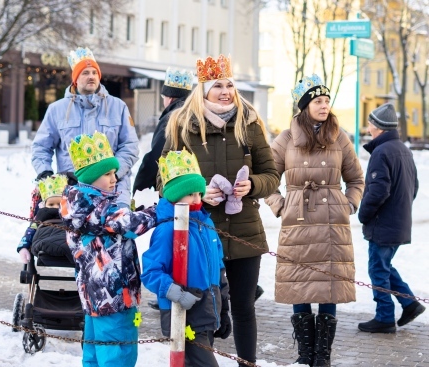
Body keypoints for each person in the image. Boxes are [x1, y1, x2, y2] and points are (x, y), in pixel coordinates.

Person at [160, 54, 280, 365]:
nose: (226, 91)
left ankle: (247, 363)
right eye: (218, 86)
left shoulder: (249, 124)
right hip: (199, 230)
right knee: (202, 306)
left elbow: (272, 174)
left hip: (244, 229)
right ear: (203, 91)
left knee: (243, 306)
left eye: (229, 84)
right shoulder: (182, 126)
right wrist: (197, 193)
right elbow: (165, 179)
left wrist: (252, 185)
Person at [264, 74, 364, 366]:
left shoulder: (339, 137)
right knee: (300, 283)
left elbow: (356, 179)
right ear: (305, 105)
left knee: (327, 286)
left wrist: (348, 204)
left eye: (327, 100)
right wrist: (280, 205)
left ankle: (322, 357)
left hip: (332, 224)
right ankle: (304, 355)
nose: (324, 105)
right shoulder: (286, 138)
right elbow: (268, 177)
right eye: (318, 101)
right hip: (298, 221)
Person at [59, 132, 157, 367]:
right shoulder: (97, 207)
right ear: (91, 178)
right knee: (118, 351)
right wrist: (158, 211)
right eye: (107, 174)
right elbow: (129, 224)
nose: (114, 179)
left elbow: (116, 221)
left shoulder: (80, 205)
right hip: (114, 296)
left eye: (114, 173)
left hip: (95, 297)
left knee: (94, 350)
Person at [142, 148, 231, 367]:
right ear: (174, 195)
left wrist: (225, 306)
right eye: (191, 194)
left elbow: (218, 267)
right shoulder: (167, 230)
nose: (197, 199)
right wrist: (176, 293)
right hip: (184, 312)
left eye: (199, 193)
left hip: (208, 310)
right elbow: (151, 272)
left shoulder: (205, 224)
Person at [32, 46, 139, 207]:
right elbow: (41, 146)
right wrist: (45, 171)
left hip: (114, 192)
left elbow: (130, 145)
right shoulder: (57, 110)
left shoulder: (118, 106)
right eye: (85, 73)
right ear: (75, 78)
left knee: (114, 231)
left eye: (94, 72)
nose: (91, 77)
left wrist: (112, 173)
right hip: (73, 192)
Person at [357, 103, 425, 334]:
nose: (368, 126)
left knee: (377, 269)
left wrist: (363, 214)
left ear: (378, 126)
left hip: (383, 224)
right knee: (383, 266)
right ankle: (409, 303)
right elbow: (413, 186)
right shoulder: (402, 149)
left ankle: (385, 317)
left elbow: (378, 191)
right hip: (397, 221)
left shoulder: (382, 152)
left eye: (370, 122)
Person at [133, 67, 193, 194]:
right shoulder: (196, 114)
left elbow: (156, 157)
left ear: (169, 98)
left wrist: (140, 189)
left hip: (174, 188)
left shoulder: (171, 118)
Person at [16, 174, 74, 264]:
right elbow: (30, 231)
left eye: (59, 204)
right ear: (44, 205)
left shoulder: (71, 214)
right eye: (51, 204)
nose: (55, 207)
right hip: (44, 239)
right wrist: (23, 247)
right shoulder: (40, 216)